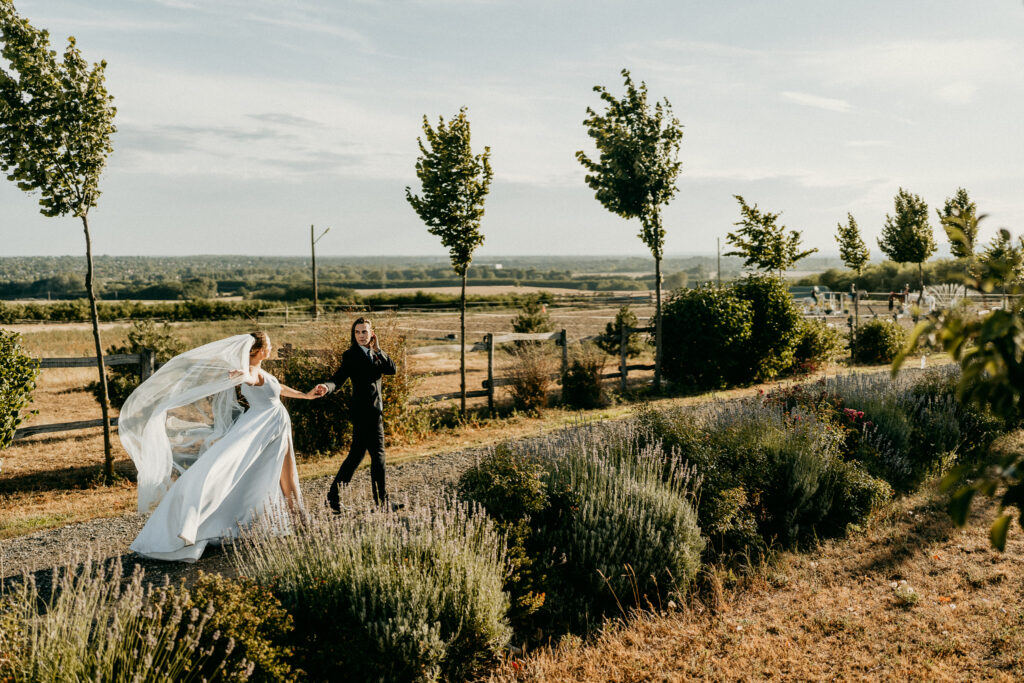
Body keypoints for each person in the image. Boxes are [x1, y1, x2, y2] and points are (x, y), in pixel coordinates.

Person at [121, 332, 318, 562]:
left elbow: (277, 387)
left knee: (278, 474)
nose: (271, 348)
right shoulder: (250, 372)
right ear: (258, 350)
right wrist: (240, 374)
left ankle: (292, 519)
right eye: (269, 346)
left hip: (274, 428)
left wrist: (305, 395)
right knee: (272, 474)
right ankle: (297, 520)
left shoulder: (263, 371)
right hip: (263, 429)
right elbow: (250, 378)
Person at [314, 317, 398, 512]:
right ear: (354, 335)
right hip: (362, 413)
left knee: (356, 455)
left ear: (372, 334)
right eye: (358, 332)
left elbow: (391, 370)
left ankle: (333, 497)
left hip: (375, 411)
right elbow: (339, 378)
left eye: (365, 332)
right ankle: (382, 503)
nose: (361, 336)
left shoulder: (375, 353)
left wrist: (378, 350)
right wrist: (327, 387)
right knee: (378, 456)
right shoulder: (350, 355)